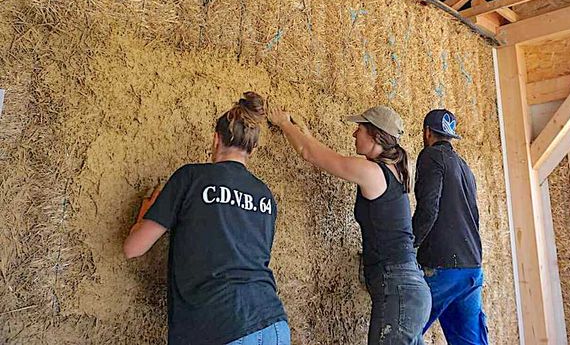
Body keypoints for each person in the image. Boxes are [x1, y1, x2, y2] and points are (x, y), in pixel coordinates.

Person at [123, 92, 289, 345]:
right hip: (274, 324)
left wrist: (145, 211)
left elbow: (133, 248)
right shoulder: (265, 196)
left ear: (216, 139)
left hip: (220, 325)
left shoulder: (191, 178)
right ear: (252, 149)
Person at [267, 105, 430, 345]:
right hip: (409, 290)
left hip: (398, 290)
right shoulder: (393, 172)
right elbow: (321, 153)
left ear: (375, 135)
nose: (354, 134)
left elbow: (309, 153)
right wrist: (304, 130)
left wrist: (283, 123)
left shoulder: (373, 172)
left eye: (360, 128)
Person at [412, 109, 487, 345]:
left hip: (443, 266)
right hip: (472, 268)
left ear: (426, 133)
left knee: (403, 333)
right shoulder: (465, 168)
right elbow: (474, 216)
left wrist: (407, 245)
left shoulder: (430, 156)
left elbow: (428, 209)